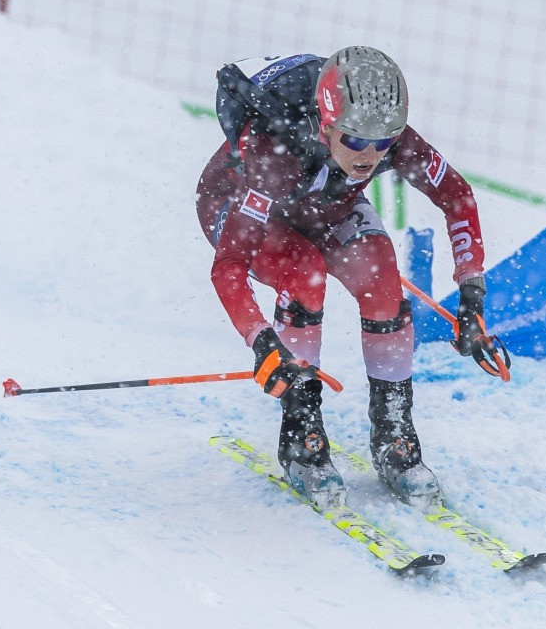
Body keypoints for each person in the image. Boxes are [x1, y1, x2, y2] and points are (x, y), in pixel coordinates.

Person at [196, 46, 499, 510]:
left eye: (385, 142)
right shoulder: (269, 151)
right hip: (242, 209)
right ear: (325, 125)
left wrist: (471, 295)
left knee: (381, 277)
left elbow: (457, 196)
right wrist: (261, 340)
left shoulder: (383, 141)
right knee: (305, 271)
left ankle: (394, 433)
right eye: (356, 141)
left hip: (324, 203)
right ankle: (301, 432)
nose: (372, 156)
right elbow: (228, 266)